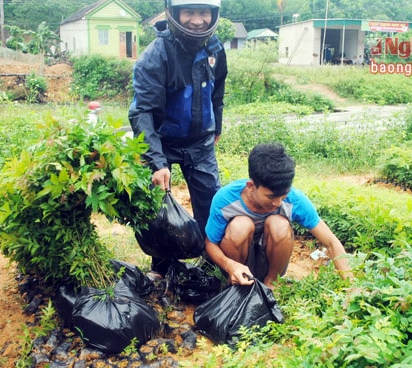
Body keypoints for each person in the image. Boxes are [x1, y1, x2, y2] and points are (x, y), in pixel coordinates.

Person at [128, 0, 227, 279]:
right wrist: (156, 161)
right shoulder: (156, 55)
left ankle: (211, 262)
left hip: (200, 142)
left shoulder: (215, 48)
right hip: (162, 141)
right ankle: (162, 267)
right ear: (174, 13)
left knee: (211, 204)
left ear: (214, 14)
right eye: (190, 12)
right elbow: (142, 112)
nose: (198, 20)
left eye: (204, 12)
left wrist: (216, 126)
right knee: (159, 208)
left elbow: (217, 91)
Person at [205, 143, 352, 289]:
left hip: (271, 263)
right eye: (271, 197)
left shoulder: (294, 200)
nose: (277, 203)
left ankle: (272, 283)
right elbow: (210, 243)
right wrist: (230, 265)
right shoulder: (225, 199)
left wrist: (351, 285)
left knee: (279, 224)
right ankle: (238, 284)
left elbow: (331, 242)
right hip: (237, 263)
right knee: (240, 225)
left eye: (283, 196)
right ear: (251, 186)